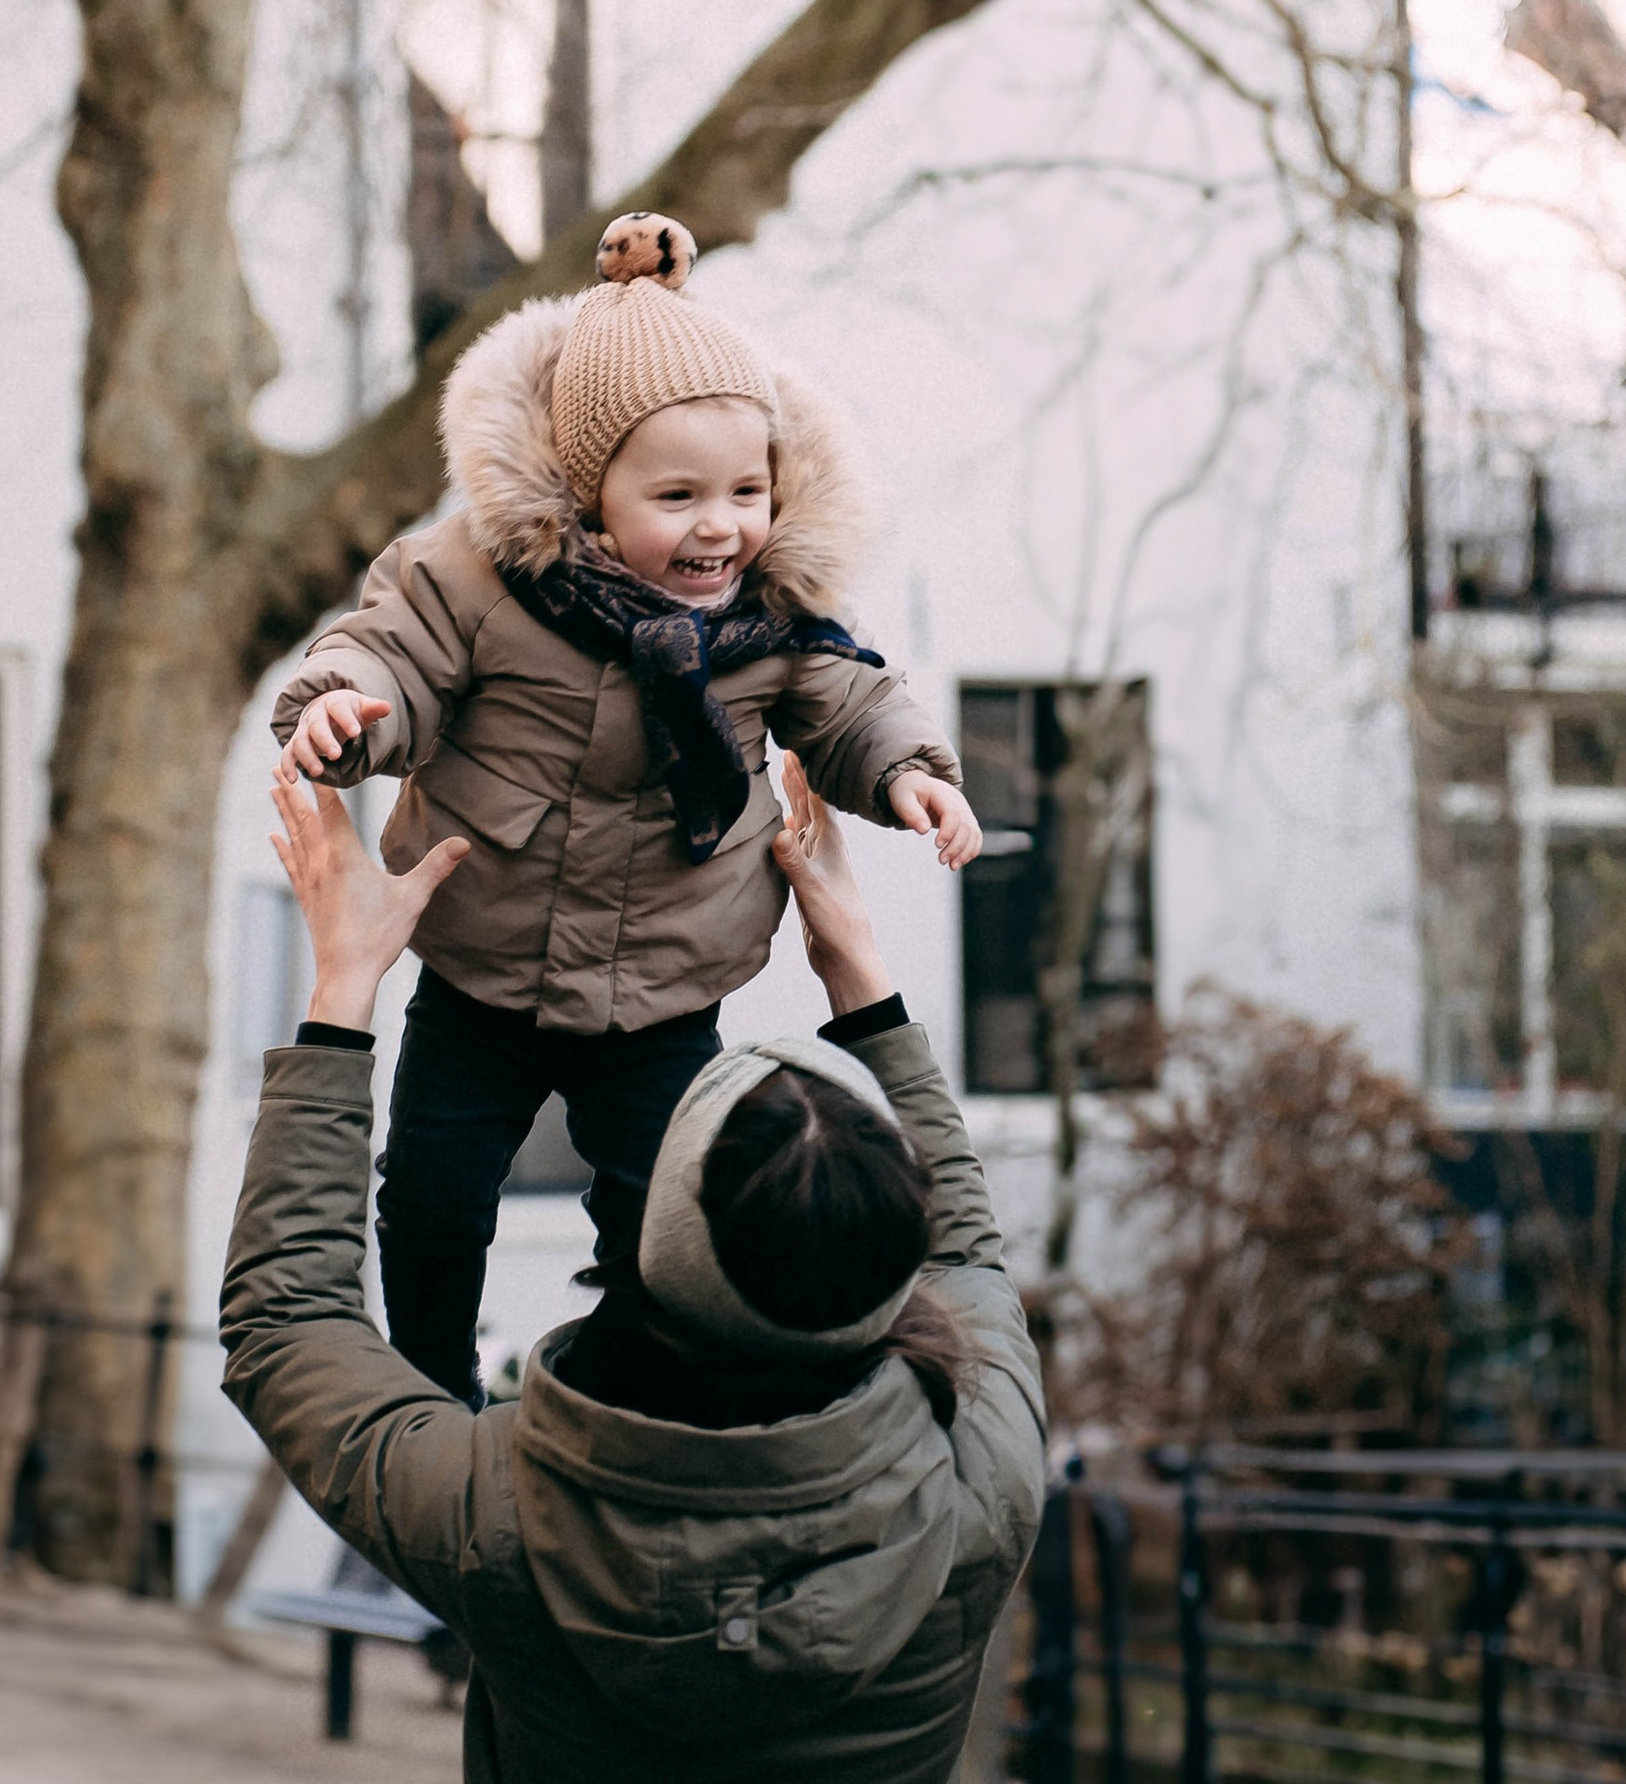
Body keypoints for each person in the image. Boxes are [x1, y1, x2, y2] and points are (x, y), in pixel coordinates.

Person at [222, 752, 1045, 1784]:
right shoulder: (983, 1473)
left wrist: (343, 988)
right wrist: (865, 981)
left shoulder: (503, 1515)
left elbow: (286, 1323)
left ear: (661, 1244)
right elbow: (967, 1252)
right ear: (891, 1262)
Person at [270, 211, 983, 1400]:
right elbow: (394, 653)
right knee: (433, 1194)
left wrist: (909, 773)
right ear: (587, 494)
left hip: (663, 983)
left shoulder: (770, 616)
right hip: (482, 972)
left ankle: (624, 1406)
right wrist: (350, 711)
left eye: (747, 490)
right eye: (679, 495)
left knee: (662, 1218)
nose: (721, 525)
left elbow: (847, 697)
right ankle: (432, 1391)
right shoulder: (477, 578)